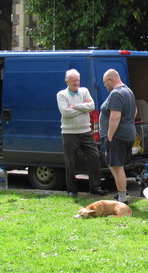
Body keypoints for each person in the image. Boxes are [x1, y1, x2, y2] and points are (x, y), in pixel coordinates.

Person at [57, 69, 107, 197]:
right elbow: (65, 113)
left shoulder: (84, 91)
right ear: (67, 81)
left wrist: (74, 106)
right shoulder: (61, 95)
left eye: (78, 80)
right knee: (70, 162)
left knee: (94, 157)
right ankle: (72, 190)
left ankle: (95, 187)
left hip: (86, 131)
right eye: (73, 80)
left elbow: (91, 106)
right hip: (69, 132)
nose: (76, 82)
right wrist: (82, 107)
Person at [100, 69, 136, 203]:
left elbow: (115, 116)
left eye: (105, 83)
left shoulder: (116, 93)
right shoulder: (128, 91)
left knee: (116, 166)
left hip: (117, 136)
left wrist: (109, 135)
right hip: (128, 133)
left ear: (111, 80)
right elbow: (135, 110)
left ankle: (122, 198)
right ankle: (122, 193)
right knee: (115, 165)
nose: (105, 86)